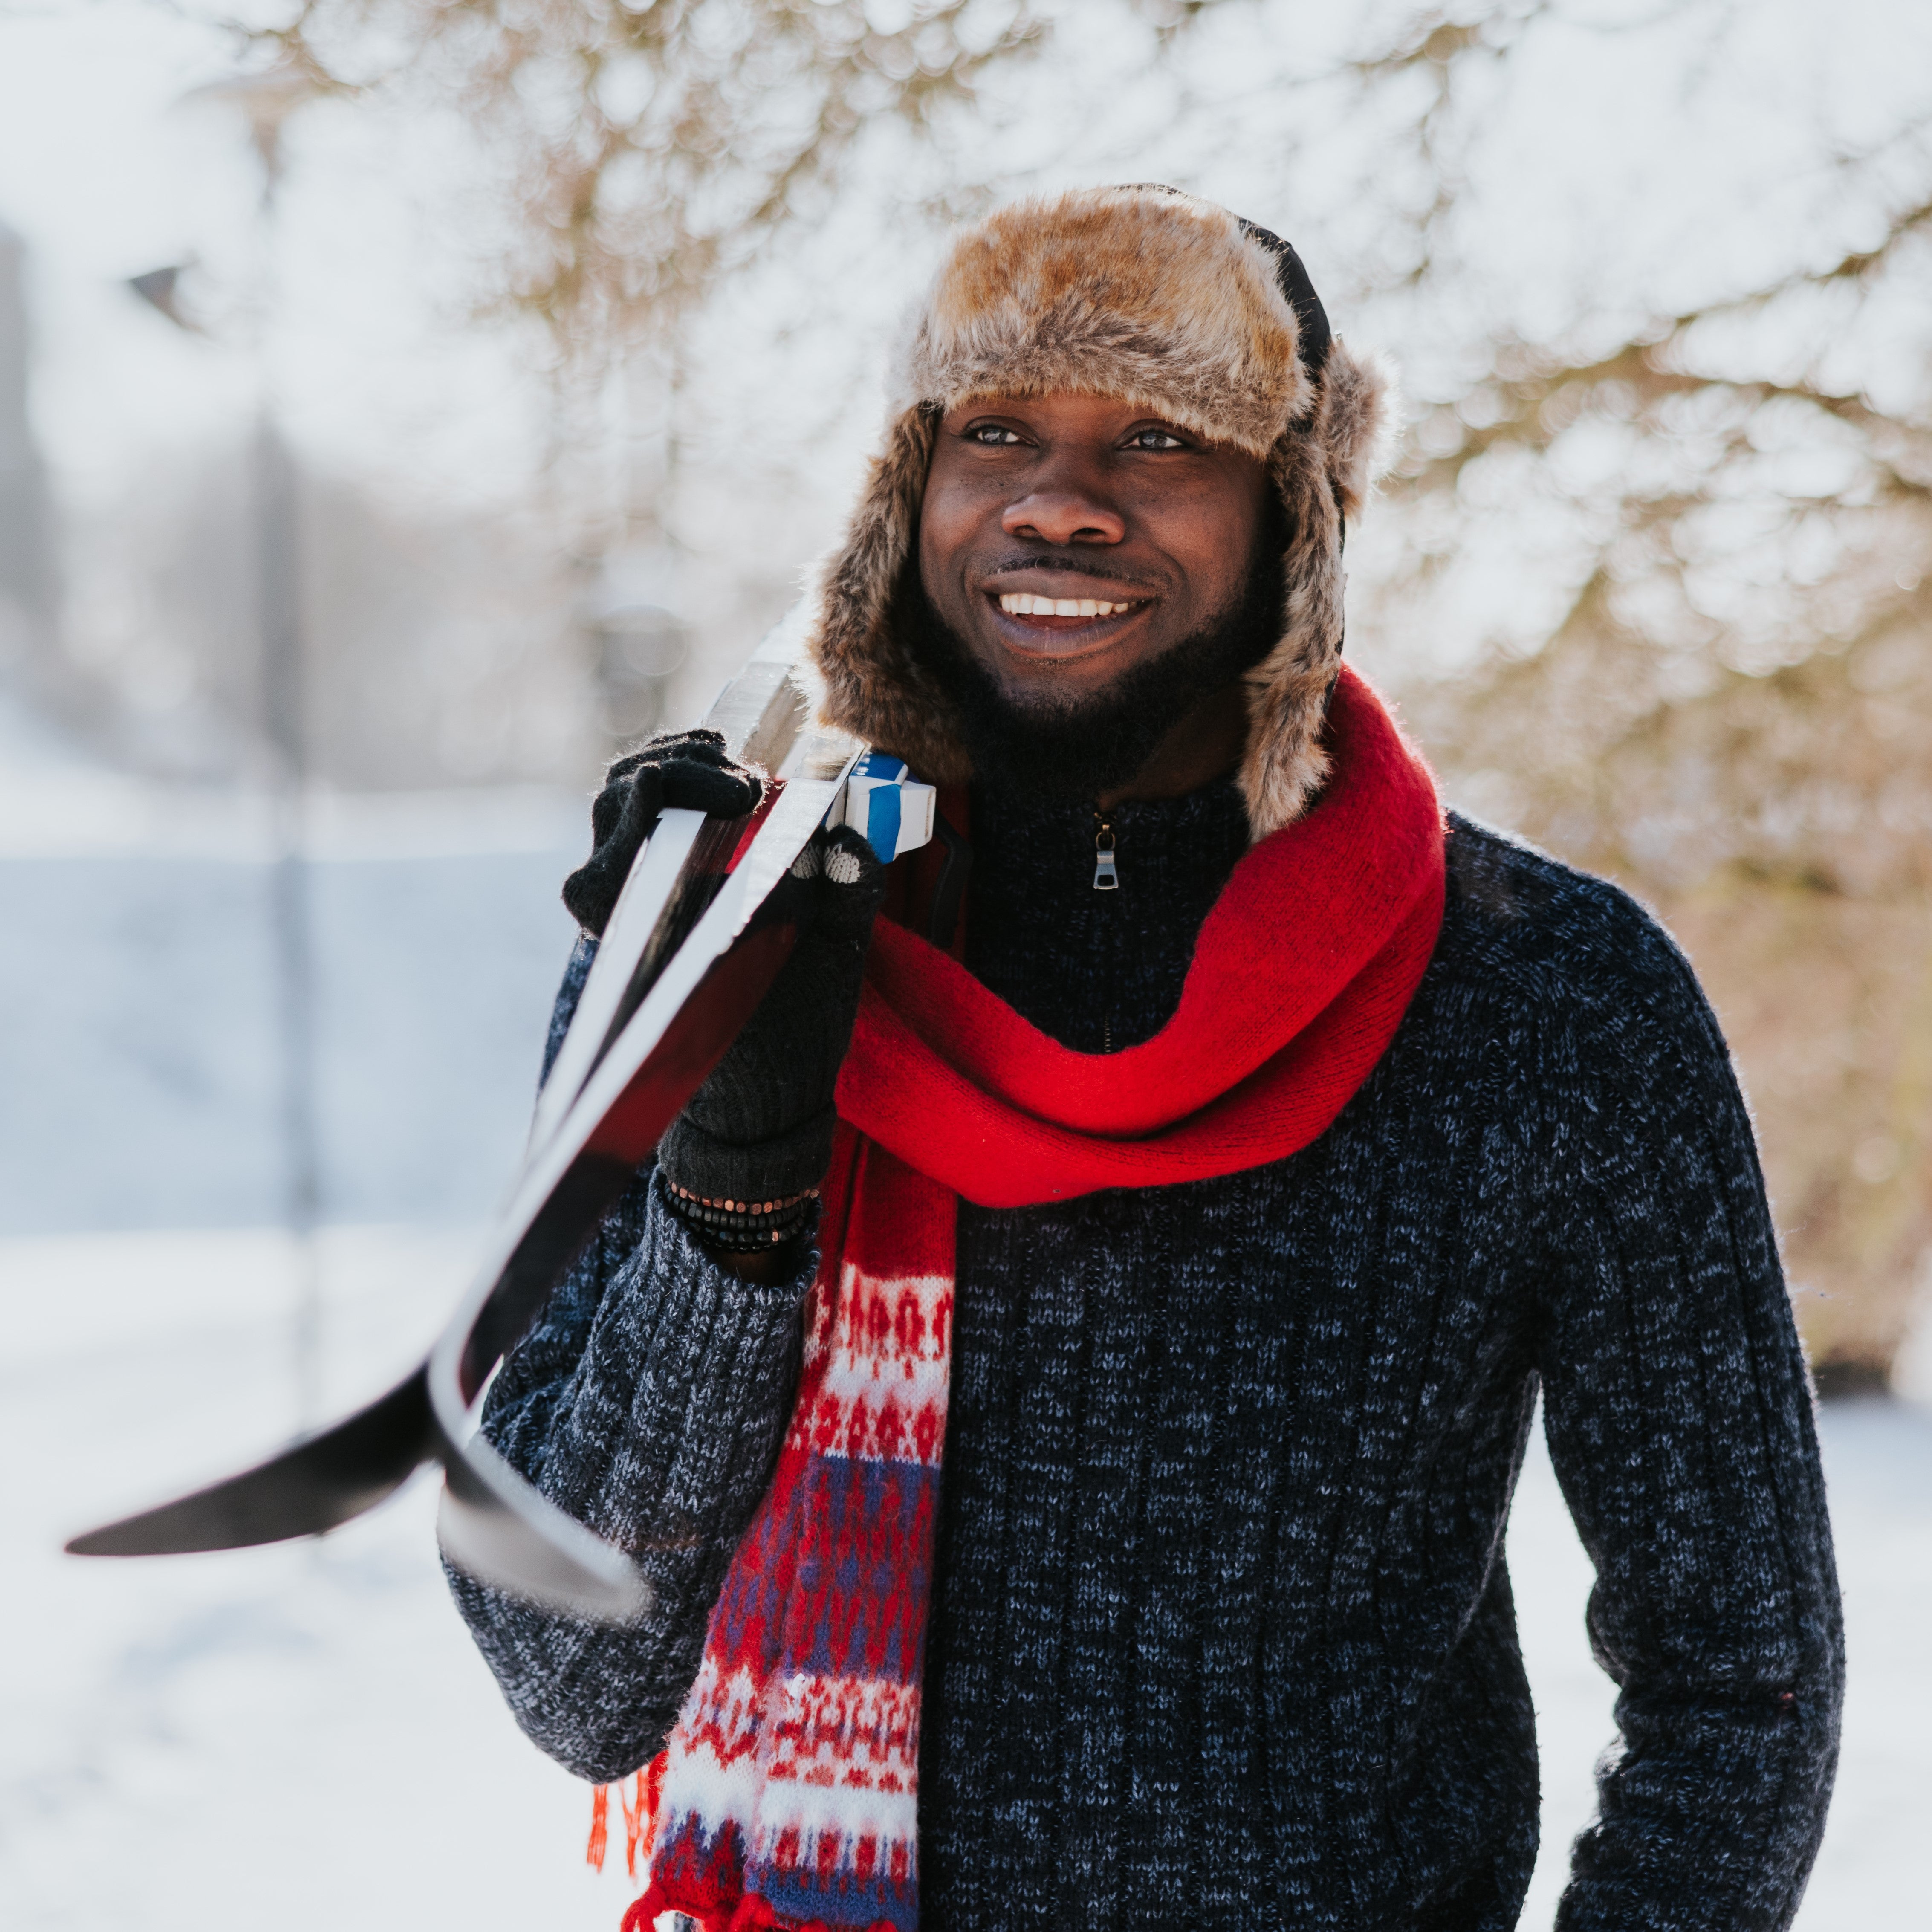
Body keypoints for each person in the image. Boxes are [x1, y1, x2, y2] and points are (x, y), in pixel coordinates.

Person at [448, 186, 1842, 1932]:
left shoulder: (1549, 995)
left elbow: (1740, 1678)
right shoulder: (726, 940)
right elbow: (572, 1680)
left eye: (1161, 437)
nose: (1058, 498)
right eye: (994, 430)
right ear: (905, 497)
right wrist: (734, 1179)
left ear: (1293, 519)